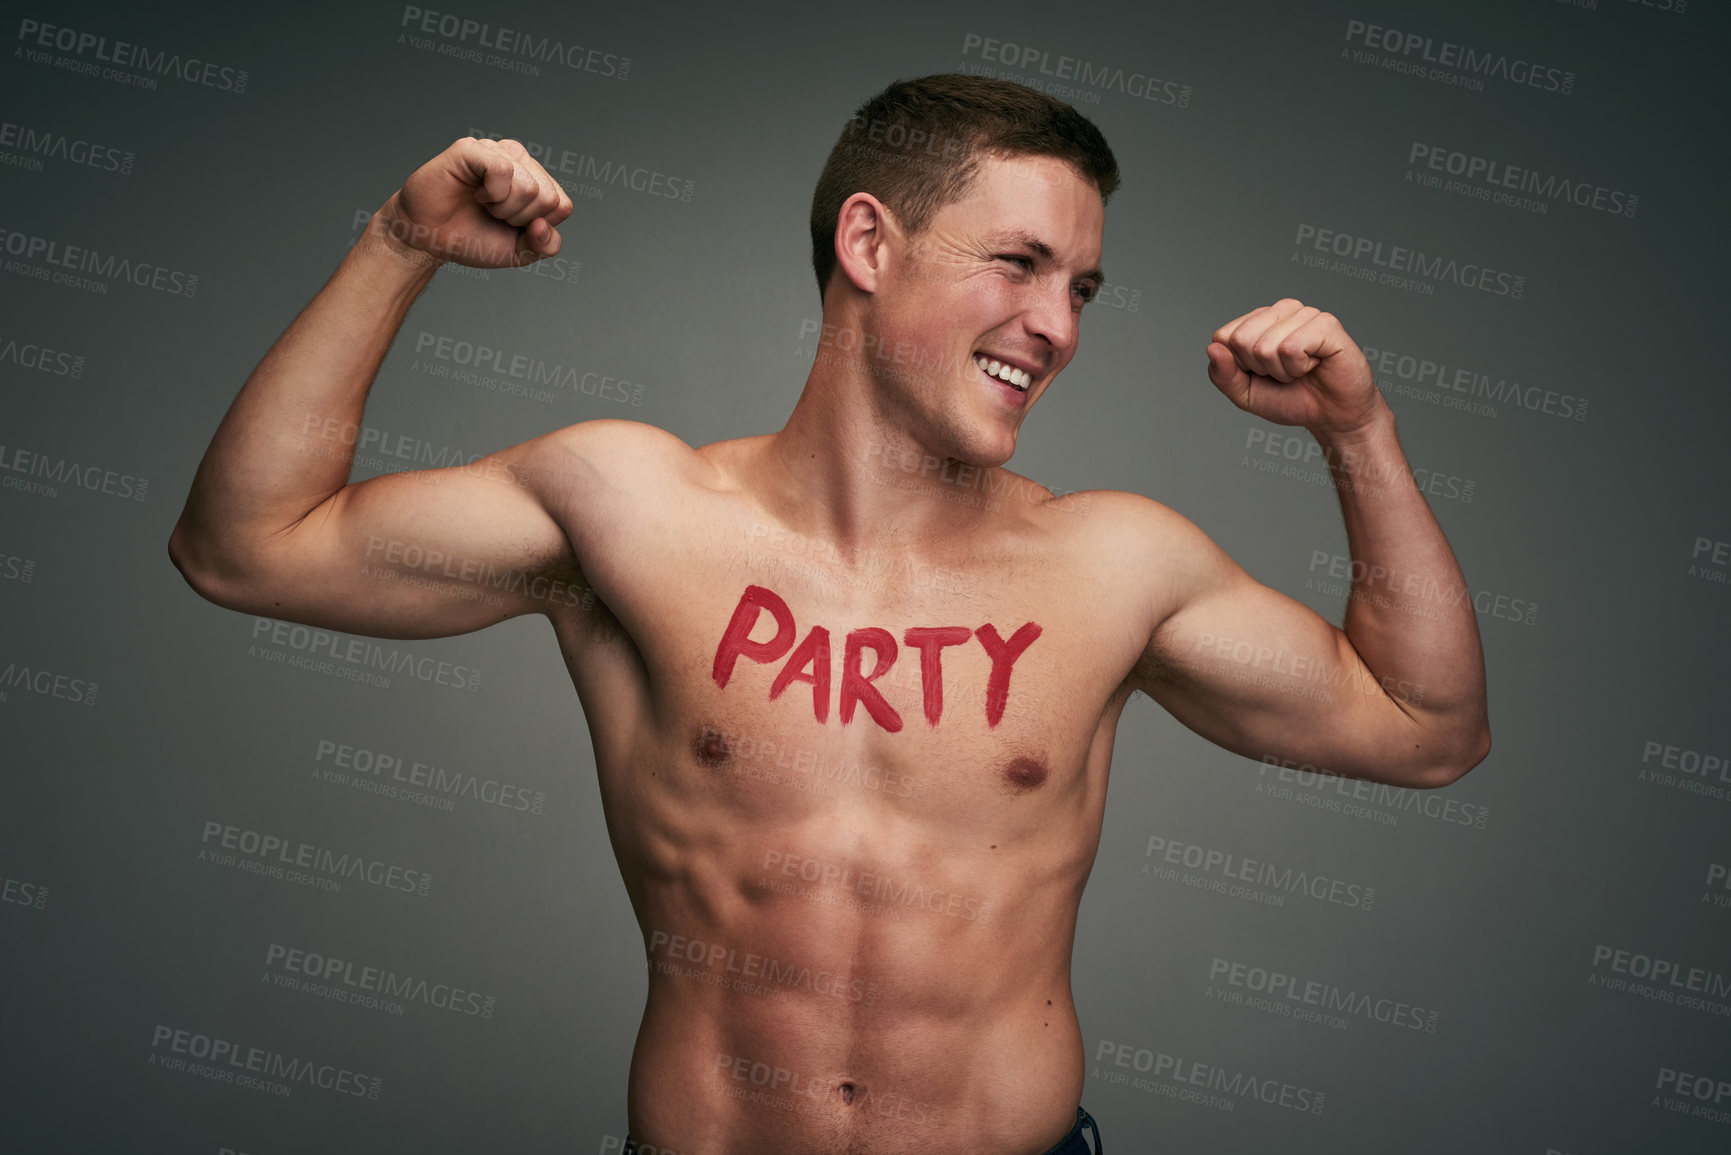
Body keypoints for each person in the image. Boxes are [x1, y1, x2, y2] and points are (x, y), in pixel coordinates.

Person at [168, 74, 1489, 1155]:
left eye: (1080, 288)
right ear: (869, 243)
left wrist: (1355, 434)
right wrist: (399, 247)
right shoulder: (629, 509)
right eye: (1020, 265)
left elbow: (1426, 726)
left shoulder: (1113, 563)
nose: (1057, 326)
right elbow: (245, 549)